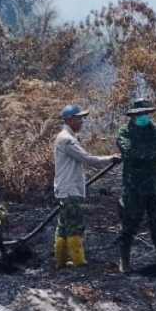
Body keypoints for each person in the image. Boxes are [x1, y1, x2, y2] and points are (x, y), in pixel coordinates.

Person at [54, 104, 121, 269]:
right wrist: (110, 158)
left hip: (67, 187)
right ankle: (78, 261)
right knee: (75, 224)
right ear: (69, 120)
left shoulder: (68, 137)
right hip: (69, 188)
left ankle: (61, 262)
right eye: (79, 118)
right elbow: (88, 159)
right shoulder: (67, 139)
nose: (81, 121)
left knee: (64, 225)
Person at [116, 98, 156, 273]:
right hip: (134, 186)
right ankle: (125, 262)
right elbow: (131, 154)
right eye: (140, 114)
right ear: (133, 115)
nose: (144, 116)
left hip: (154, 185)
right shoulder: (124, 133)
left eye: (146, 113)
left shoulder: (154, 129)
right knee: (129, 223)